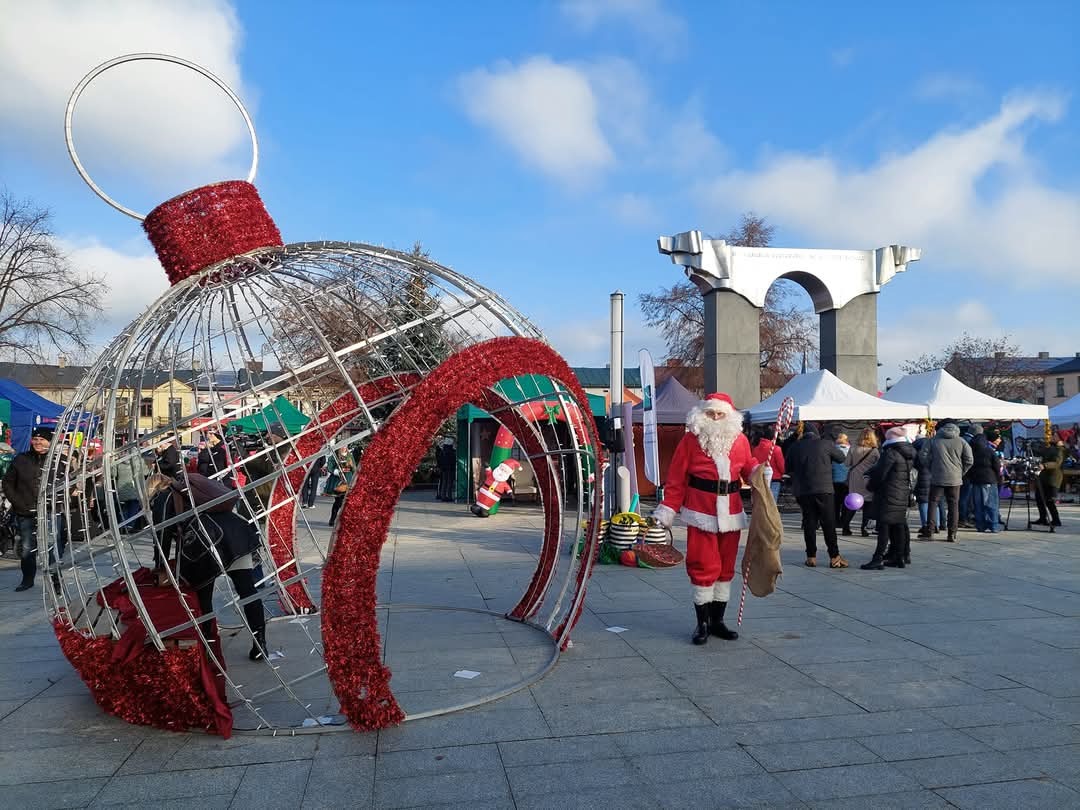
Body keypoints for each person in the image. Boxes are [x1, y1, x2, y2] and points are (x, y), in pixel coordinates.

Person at [651, 392, 757, 646]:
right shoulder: (690, 441)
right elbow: (676, 480)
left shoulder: (740, 440)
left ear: (730, 416)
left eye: (721, 414)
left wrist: (760, 472)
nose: (716, 418)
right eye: (711, 413)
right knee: (702, 565)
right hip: (701, 513)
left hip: (731, 513)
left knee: (726, 567)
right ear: (702, 414)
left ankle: (718, 621)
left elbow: (749, 468)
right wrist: (667, 510)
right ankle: (702, 623)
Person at [147, 474, 266, 660]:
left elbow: (162, 534)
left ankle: (210, 645)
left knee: (204, 596)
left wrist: (160, 566)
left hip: (206, 542)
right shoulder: (193, 489)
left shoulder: (164, 497)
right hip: (236, 533)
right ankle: (260, 643)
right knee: (247, 590)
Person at [786, 426, 848, 569]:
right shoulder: (825, 444)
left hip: (803, 490)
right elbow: (841, 458)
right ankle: (834, 557)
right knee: (828, 523)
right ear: (816, 433)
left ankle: (811, 557)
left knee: (809, 522)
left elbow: (788, 468)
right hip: (823, 489)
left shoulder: (795, 447)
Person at [3, 426, 53, 591]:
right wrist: (18, 502)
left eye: (42, 439)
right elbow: (8, 483)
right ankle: (27, 579)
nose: (38, 442)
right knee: (27, 548)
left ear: (49, 441)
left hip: (50, 512)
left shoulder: (56, 460)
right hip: (25, 511)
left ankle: (55, 581)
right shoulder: (21, 459)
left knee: (51, 548)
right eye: (35, 439)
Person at [860, 427, 915, 570]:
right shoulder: (908, 452)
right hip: (902, 494)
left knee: (884, 526)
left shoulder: (890, 453)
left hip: (888, 494)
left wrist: (869, 485)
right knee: (898, 526)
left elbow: (880, 474)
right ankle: (900, 557)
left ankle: (877, 558)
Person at [928, 419, 973, 542]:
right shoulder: (962, 441)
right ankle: (952, 533)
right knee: (954, 505)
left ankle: (930, 531)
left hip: (937, 477)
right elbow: (969, 460)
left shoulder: (933, 440)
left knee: (933, 503)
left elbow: (923, 456)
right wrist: (961, 472)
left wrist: (931, 468)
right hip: (955, 479)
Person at [841, 429, 880, 538]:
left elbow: (847, 463)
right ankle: (864, 529)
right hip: (867, 478)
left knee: (853, 503)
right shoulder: (874, 451)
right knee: (867, 505)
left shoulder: (853, 448)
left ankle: (845, 527)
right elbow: (878, 466)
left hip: (854, 478)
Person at [969, 425, 1002, 533]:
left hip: (975, 480)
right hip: (989, 479)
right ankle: (993, 525)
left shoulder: (971, 451)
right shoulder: (989, 451)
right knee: (991, 503)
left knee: (978, 504)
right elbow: (997, 466)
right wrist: (998, 477)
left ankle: (980, 525)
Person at [913, 436, 945, 538]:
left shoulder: (918, 453)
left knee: (923, 502)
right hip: (936, 477)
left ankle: (925, 525)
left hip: (922, 478)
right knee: (935, 502)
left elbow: (916, 465)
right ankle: (937, 524)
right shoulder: (936, 448)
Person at [1034, 433, 1065, 527]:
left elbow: (1056, 463)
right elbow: (1042, 452)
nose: (1052, 437)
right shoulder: (1051, 447)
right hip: (1043, 478)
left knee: (1049, 501)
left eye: (1055, 436)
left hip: (1053, 479)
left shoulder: (1061, 450)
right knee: (1039, 498)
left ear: (1060, 439)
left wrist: (1044, 465)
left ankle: (1056, 520)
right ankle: (1042, 518)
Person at [752, 425, 785, 502]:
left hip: (760, 478)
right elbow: (782, 467)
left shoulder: (755, 449)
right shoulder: (776, 449)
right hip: (774, 479)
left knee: (761, 503)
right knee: (771, 504)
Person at [328, 447, 355, 526]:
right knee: (338, 502)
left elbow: (354, 468)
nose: (344, 448)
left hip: (348, 479)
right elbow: (330, 467)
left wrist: (352, 467)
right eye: (342, 446)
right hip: (338, 481)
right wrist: (336, 471)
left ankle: (344, 520)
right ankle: (333, 518)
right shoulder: (335, 456)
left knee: (346, 502)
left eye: (345, 446)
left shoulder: (350, 456)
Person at [831, 432, 850, 526]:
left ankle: (836, 521)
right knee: (846, 503)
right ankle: (844, 520)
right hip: (847, 480)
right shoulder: (851, 451)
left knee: (836, 503)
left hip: (834, 480)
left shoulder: (833, 450)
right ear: (847, 441)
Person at [436, 438, 456, 502]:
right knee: (449, 483)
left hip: (444, 469)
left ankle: (443, 496)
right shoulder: (452, 452)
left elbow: (439, 460)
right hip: (450, 469)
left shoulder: (442, 451)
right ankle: (449, 496)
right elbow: (453, 460)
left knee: (444, 482)